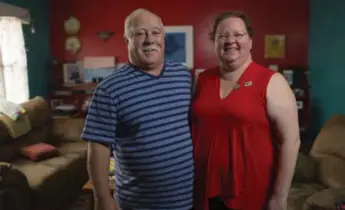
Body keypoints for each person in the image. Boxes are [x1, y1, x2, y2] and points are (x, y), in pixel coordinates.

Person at [81, 8, 194, 210]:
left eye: (155, 32)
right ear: (127, 41)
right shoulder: (109, 89)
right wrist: (103, 197)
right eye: (140, 33)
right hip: (138, 203)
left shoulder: (183, 76)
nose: (149, 39)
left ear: (163, 37)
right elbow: (98, 146)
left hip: (186, 201)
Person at [191, 11, 300, 210]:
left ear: (250, 40)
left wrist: (279, 196)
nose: (230, 40)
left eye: (238, 35)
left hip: (252, 193)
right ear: (214, 42)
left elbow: (290, 141)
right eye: (222, 36)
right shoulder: (202, 79)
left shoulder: (272, 81)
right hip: (203, 190)